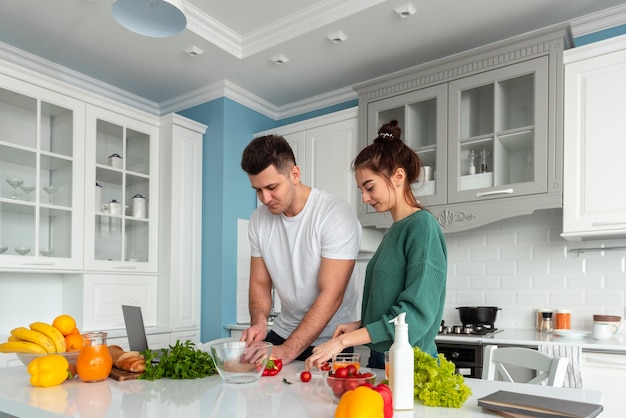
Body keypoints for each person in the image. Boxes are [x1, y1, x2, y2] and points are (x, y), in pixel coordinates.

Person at [305, 120, 447, 370]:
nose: (364, 198)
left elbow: (413, 318)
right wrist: (360, 325)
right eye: (360, 189)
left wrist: (344, 341)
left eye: (369, 187)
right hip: (382, 359)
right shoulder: (394, 231)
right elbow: (388, 303)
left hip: (411, 363)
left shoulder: (422, 228)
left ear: (398, 177)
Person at [240, 134, 362, 365]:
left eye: (272, 187)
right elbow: (259, 283)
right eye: (257, 190)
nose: (265, 198)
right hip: (283, 332)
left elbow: (332, 296)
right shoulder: (258, 220)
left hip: (332, 339)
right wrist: (259, 321)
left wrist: (287, 351)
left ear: (294, 174)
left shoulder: (334, 214)